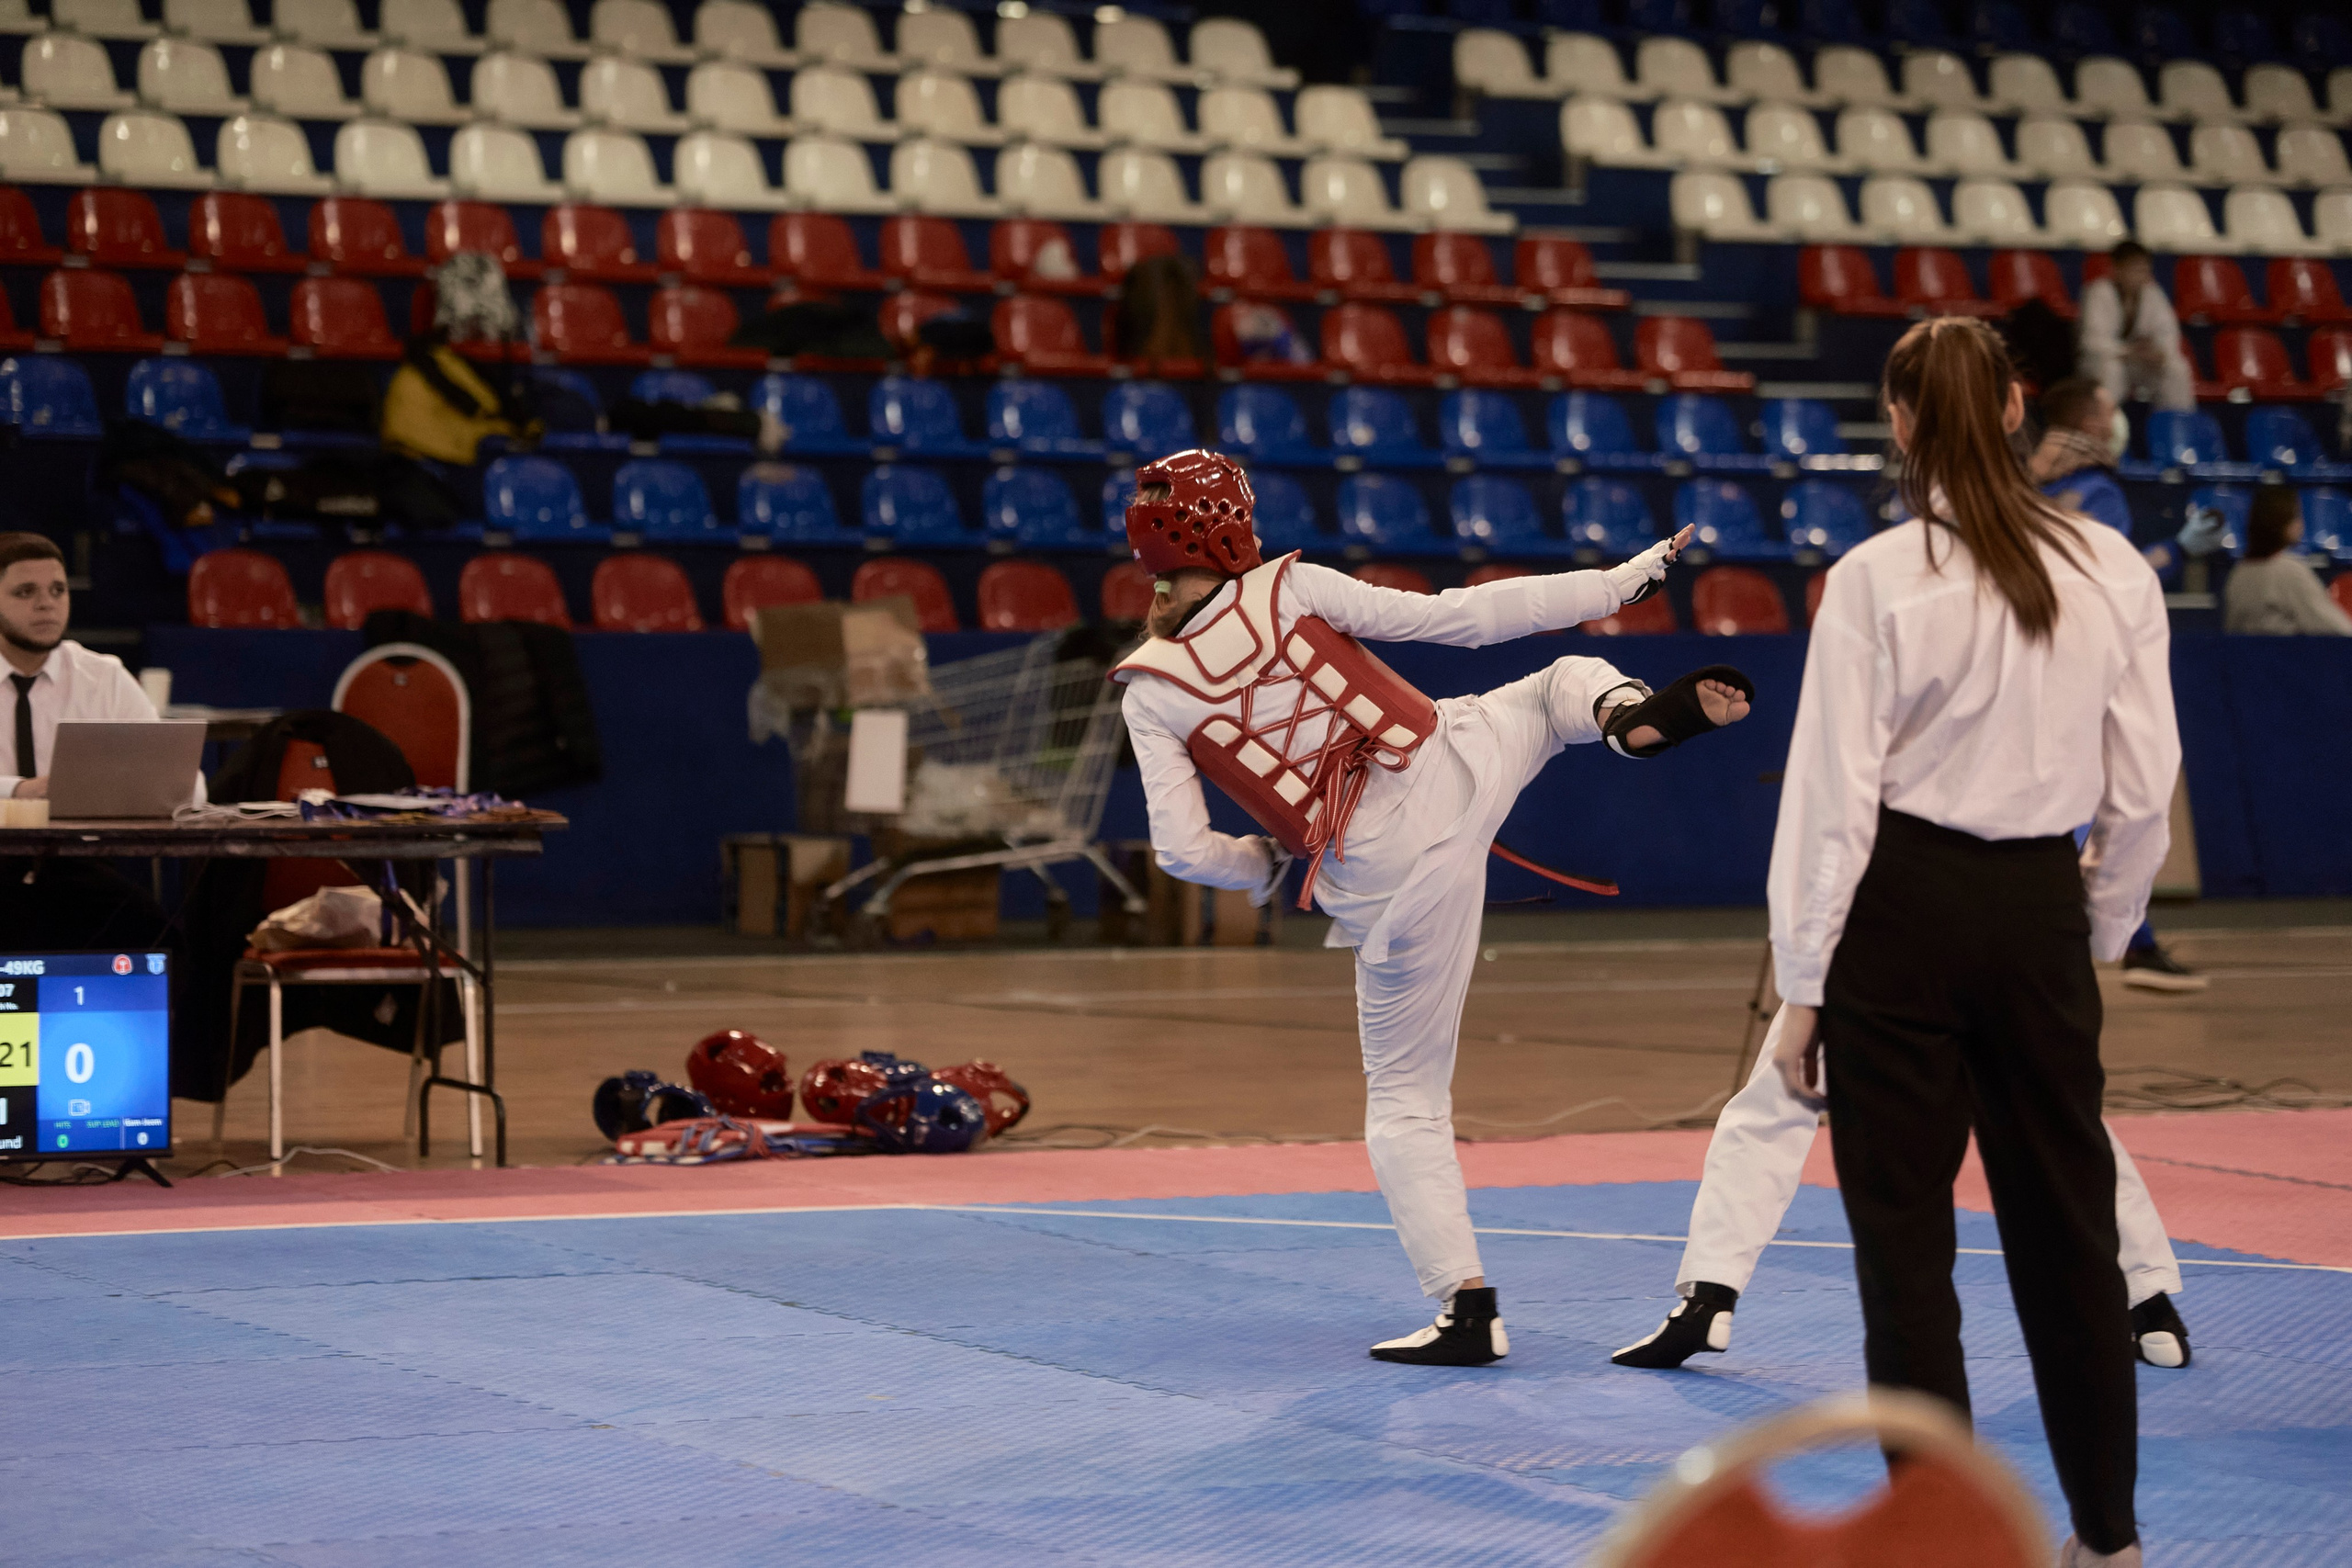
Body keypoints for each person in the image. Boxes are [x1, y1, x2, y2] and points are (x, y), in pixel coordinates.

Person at [1113, 450, 1753, 1366]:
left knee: (1406, 1103)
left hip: (1375, 875)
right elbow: (1464, 616)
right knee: (1557, 685)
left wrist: (1258, 868)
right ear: (1232, 525)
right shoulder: (1292, 588)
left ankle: (1466, 1307)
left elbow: (1179, 850)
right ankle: (1623, 720)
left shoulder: (1149, 687)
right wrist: (1618, 578)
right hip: (1446, 764)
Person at [1770, 319, 2175, 1568]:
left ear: (1898, 420)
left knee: (1905, 1248)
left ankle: (1944, 1542)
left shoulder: (1880, 576)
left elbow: (1831, 800)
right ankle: (2107, 1538)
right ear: (2011, 406)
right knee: (2073, 1237)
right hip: (2040, 908)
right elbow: (2146, 787)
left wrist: (1800, 987)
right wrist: (2094, 932)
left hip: (1903, 912)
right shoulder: (2111, 563)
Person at [1611, 1003, 2191, 1372]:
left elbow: (1822, 842)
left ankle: (1708, 1300)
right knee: (2057, 1112)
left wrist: (1804, 968)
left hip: (1883, 919)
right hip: (2015, 920)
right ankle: (2150, 1305)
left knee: (1774, 1104)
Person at [2030, 376, 2215, 993]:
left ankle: (2136, 941)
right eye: (2110, 412)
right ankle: (2108, 944)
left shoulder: (2021, 488)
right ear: (2090, 424)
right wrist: (2175, 550)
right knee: (2107, 804)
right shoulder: (2099, 492)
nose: (2118, 423)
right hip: (2085, 672)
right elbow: (2120, 578)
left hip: (2023, 667)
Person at [0, 533, 184, 953]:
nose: (46, 604)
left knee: (163, 939)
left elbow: (184, 784)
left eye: (57, 590)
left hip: (74, 867)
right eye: (25, 592)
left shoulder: (103, 676)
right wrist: (19, 790)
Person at [2078, 241, 2195, 413]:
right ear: (2117, 269)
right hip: (2102, 363)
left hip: (2139, 363)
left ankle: (2177, 427)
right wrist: (2128, 350)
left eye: (2144, 269)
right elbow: (2092, 342)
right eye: (2134, 269)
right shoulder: (2099, 292)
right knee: (2111, 369)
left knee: (2176, 368)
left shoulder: (2153, 293)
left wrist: (2159, 352)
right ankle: (2107, 424)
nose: (2141, 275)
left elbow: (2168, 332)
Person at [2223, 488, 2352, 637]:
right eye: (2296, 515)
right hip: (2284, 657)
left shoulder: (2239, 572)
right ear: (2281, 523)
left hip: (2248, 658)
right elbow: (2336, 629)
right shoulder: (2288, 571)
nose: (2300, 523)